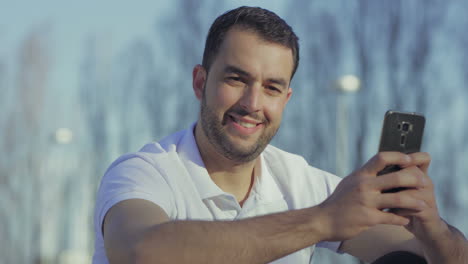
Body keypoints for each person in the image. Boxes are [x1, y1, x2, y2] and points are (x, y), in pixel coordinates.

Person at [92, 6, 467, 264]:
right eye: (237, 79)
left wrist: (433, 231)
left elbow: (423, 255)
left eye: (272, 87)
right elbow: (140, 251)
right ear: (200, 82)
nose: (253, 103)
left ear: (286, 99)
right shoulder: (143, 172)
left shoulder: (302, 183)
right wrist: (322, 221)